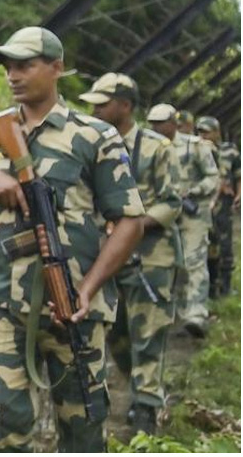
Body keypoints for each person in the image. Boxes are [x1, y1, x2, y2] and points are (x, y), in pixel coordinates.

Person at [0, 28, 144, 452]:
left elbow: (129, 221)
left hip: (74, 309)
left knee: (82, 430)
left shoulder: (94, 135)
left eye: (25, 65)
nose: (13, 76)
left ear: (57, 68)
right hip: (7, 304)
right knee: (4, 424)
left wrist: (87, 290)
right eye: (8, 67)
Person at [79, 75, 180, 435]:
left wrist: (133, 225)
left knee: (149, 331)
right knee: (117, 334)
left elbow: (172, 201)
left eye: (102, 103)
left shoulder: (156, 148)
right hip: (106, 255)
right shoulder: (89, 145)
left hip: (151, 254)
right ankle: (136, 385)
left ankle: (146, 406)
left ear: (124, 105)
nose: (95, 110)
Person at [164, 111, 219, 337]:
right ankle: (172, 314)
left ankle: (195, 314)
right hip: (164, 213)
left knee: (194, 262)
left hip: (193, 212)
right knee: (168, 263)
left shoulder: (196, 147)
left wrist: (193, 191)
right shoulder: (150, 147)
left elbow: (212, 177)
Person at [197, 116, 239, 298]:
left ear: (217, 132)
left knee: (225, 244)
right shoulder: (195, 150)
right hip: (203, 204)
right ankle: (211, 287)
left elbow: (239, 173)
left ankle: (226, 288)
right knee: (207, 247)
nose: (203, 135)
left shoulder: (229, 151)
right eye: (200, 131)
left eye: (206, 131)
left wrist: (239, 194)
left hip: (223, 204)